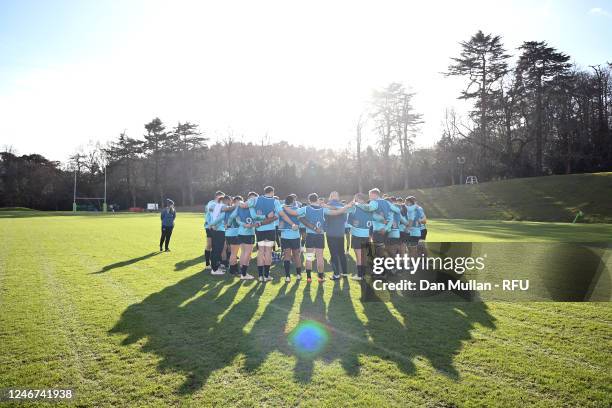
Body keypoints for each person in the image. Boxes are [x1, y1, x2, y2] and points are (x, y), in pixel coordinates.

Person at [293, 193, 351, 282]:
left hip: (310, 236)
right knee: (320, 257)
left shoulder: (305, 208)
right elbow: (337, 212)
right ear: (317, 200)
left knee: (309, 257)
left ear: (309, 200)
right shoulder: (323, 209)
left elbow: (295, 213)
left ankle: (309, 278)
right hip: (320, 235)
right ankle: (320, 277)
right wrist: (346, 207)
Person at [242, 186, 283, 282]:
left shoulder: (256, 200)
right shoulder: (275, 201)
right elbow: (277, 215)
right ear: (272, 192)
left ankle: (260, 276)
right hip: (270, 229)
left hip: (259, 230)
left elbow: (245, 207)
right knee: (268, 252)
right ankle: (267, 275)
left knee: (261, 252)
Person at [322, 192, 349, 279]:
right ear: (338, 197)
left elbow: (324, 219)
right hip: (340, 232)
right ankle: (344, 273)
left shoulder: (326, 206)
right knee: (341, 253)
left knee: (333, 254)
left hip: (331, 233)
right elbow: (345, 219)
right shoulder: (342, 206)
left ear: (330, 197)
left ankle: (336, 274)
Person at [345, 193, 372, 280]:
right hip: (367, 234)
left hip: (357, 234)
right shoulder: (369, 207)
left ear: (356, 199)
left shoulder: (355, 207)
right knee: (364, 255)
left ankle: (360, 275)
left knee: (359, 256)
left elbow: (344, 211)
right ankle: (364, 274)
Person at [234, 192, 261, 280]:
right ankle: (244, 274)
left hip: (240, 232)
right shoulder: (252, 207)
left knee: (243, 252)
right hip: (248, 233)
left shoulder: (241, 206)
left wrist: (243, 224)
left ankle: (242, 271)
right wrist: (252, 225)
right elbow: (256, 220)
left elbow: (236, 218)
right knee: (247, 253)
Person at [277, 195, 303, 282]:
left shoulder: (281, 208)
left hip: (285, 236)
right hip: (295, 236)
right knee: (296, 255)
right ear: (292, 201)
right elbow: (301, 220)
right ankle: (299, 275)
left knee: (287, 256)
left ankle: (287, 277)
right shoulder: (296, 209)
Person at [208, 195, 233, 275]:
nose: (230, 203)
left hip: (216, 230)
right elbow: (221, 218)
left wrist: (211, 224)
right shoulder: (223, 207)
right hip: (219, 231)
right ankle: (214, 269)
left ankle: (215, 267)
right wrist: (212, 224)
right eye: (229, 201)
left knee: (216, 249)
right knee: (217, 249)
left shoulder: (216, 207)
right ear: (227, 200)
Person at [204, 191, 224, 268]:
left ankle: (217, 263)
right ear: (217, 197)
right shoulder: (211, 203)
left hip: (218, 227)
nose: (223, 199)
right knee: (209, 245)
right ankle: (207, 264)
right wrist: (211, 224)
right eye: (221, 197)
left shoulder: (220, 204)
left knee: (217, 245)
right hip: (209, 227)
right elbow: (210, 214)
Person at [224, 196, 242, 276]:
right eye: (240, 202)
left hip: (228, 233)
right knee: (234, 253)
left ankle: (234, 269)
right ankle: (232, 270)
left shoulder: (228, 209)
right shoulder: (236, 209)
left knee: (233, 252)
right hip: (234, 233)